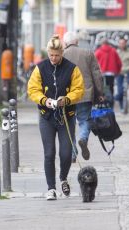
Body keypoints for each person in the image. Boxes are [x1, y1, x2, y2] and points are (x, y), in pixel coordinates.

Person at [27, 34, 84, 200]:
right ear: (48, 53)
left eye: (57, 55)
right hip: (46, 117)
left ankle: (63, 178)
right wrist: (45, 101)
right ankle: (51, 188)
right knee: (49, 153)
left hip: (67, 116)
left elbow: (78, 90)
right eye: (51, 55)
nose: (53, 58)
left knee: (66, 153)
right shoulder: (40, 68)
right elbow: (33, 89)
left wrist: (66, 99)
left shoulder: (72, 69)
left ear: (62, 53)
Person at [63, 31, 104, 163]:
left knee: (69, 124)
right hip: (85, 94)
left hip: (67, 96)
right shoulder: (88, 53)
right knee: (84, 120)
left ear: (65, 43)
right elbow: (96, 75)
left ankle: (73, 154)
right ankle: (83, 138)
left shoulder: (61, 55)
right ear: (77, 42)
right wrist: (100, 94)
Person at [95, 38, 122, 107]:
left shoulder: (98, 51)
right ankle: (111, 103)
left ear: (102, 44)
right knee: (111, 88)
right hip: (111, 73)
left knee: (104, 88)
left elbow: (93, 63)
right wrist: (118, 72)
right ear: (108, 43)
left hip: (102, 73)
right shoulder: (113, 51)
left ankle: (105, 103)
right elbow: (119, 63)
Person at [114, 38, 129, 111]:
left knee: (126, 88)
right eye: (120, 43)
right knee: (120, 90)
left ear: (126, 43)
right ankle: (122, 106)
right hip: (120, 73)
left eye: (123, 43)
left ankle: (116, 98)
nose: (122, 45)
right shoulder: (117, 52)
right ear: (119, 44)